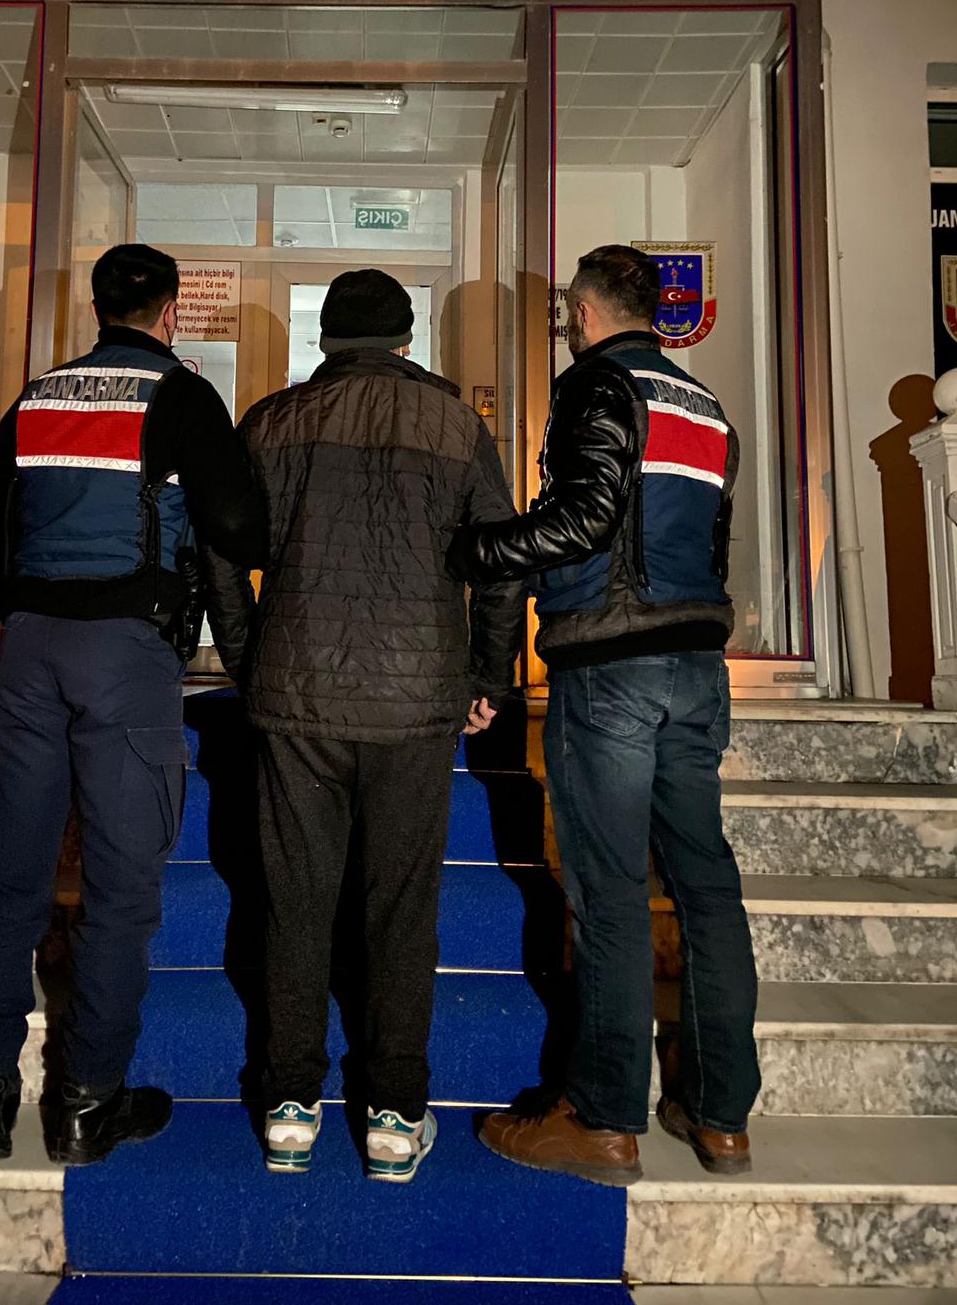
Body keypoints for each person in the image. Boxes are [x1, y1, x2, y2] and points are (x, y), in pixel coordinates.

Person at [447, 244, 758, 1186]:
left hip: (613, 668)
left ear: (583, 314)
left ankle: (604, 1118)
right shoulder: (705, 406)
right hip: (696, 668)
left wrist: (467, 549)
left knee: (612, 893)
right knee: (705, 887)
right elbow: (710, 540)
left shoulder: (595, 385)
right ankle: (719, 1115)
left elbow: (581, 520)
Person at [205, 269, 524, 1184]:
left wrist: (247, 658)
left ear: (327, 341)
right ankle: (393, 1113)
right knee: (401, 907)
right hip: (417, 700)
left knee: (294, 902)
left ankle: (289, 1109)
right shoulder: (456, 426)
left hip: (297, 693)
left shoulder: (272, 422)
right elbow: (502, 561)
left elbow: (219, 551)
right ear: (407, 339)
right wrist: (487, 676)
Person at [0, 244, 264, 1166]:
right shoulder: (181, 396)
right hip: (124, 656)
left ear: (95, 310)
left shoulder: (37, 396)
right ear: (169, 312)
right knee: (120, 891)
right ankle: (87, 1104)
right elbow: (239, 526)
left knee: (11, 879)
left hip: (29, 650)